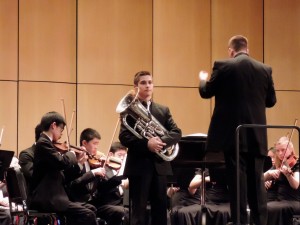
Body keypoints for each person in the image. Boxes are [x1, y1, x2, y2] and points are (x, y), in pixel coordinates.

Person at [199, 35, 277, 225]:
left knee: (238, 186)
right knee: (257, 185)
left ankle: (240, 222)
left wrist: (202, 79)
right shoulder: (264, 69)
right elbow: (271, 101)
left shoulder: (223, 65)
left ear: (231, 51)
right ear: (247, 49)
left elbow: (206, 92)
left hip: (233, 137)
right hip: (257, 136)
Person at [119, 70, 182, 225]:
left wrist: (159, 142)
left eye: (150, 82)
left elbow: (176, 132)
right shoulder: (128, 111)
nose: (147, 86)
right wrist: (147, 144)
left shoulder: (163, 110)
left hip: (160, 167)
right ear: (136, 86)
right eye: (143, 83)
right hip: (139, 167)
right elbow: (124, 137)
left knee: (160, 210)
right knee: (138, 212)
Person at [28, 111, 98, 225]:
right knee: (88, 214)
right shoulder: (43, 143)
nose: (61, 135)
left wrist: (78, 163)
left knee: (91, 209)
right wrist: (71, 153)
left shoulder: (48, 144)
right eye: (61, 130)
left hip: (56, 196)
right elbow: (62, 162)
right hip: (47, 197)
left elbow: (64, 175)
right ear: (53, 125)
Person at [264, 136, 300, 225]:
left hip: (293, 201)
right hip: (279, 200)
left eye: (283, 150)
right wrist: (269, 174)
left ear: (291, 149)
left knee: (269, 208)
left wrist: (288, 175)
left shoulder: (297, 164)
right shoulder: (278, 164)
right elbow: (260, 178)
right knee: (262, 207)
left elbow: (295, 185)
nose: (280, 153)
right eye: (278, 150)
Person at [95, 141, 129, 225]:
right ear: (110, 154)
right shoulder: (103, 169)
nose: (122, 158)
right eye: (119, 155)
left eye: (124, 156)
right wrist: (122, 176)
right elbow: (103, 188)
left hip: (120, 204)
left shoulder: (123, 171)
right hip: (105, 205)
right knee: (121, 211)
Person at [19, 123, 43, 189]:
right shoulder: (26, 155)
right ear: (43, 136)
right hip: (39, 195)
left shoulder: (55, 153)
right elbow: (34, 176)